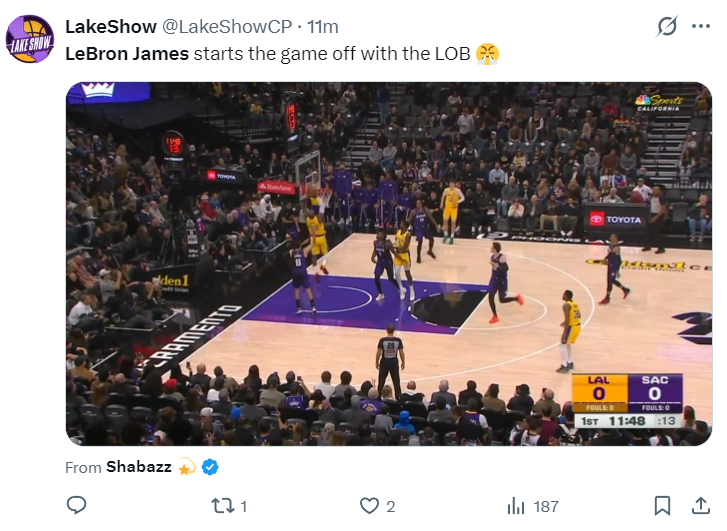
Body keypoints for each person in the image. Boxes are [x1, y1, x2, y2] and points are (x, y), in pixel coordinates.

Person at [487, 242, 524, 324]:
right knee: (490, 296)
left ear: (495, 249)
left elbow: (506, 268)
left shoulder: (501, 258)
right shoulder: (492, 257)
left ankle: (516, 298)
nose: (490, 248)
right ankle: (495, 316)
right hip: (494, 279)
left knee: (502, 300)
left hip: (501, 280)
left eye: (492, 247)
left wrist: (497, 265)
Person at [371, 229, 403, 301]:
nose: (377, 234)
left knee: (390, 278)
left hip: (388, 262)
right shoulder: (375, 242)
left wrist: (402, 259)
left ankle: (400, 288)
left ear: (383, 236)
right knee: (376, 277)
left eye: (379, 233)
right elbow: (375, 251)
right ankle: (380, 293)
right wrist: (372, 257)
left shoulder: (387, 244)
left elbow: (394, 252)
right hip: (380, 262)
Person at [375, 323, 405, 400]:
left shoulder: (382, 340)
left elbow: (379, 352)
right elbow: (401, 352)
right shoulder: (398, 340)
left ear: (387, 330)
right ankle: (398, 399)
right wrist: (403, 362)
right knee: (396, 382)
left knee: (381, 381)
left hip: (384, 361)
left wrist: (376, 361)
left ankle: (378, 398)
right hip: (394, 361)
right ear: (393, 330)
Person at [599, 234, 631, 305]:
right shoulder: (611, 245)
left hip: (614, 266)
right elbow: (610, 254)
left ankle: (607, 298)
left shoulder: (617, 248)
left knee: (610, 281)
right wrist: (605, 258)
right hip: (610, 265)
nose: (610, 237)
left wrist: (617, 270)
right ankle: (625, 290)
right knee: (611, 280)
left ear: (615, 238)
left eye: (612, 237)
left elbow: (619, 260)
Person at [556, 290, 581, 373]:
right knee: (567, 344)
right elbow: (579, 315)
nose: (562, 296)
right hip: (577, 326)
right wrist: (566, 322)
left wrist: (564, 333)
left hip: (571, 327)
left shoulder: (566, 305)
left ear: (566, 296)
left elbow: (568, 319)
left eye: (564, 294)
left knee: (562, 345)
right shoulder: (574, 304)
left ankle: (564, 365)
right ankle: (570, 362)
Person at [290, 239, 317, 315]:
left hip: (295, 272)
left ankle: (298, 308)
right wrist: (313, 234)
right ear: (300, 246)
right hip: (302, 271)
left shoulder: (291, 252)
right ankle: (313, 307)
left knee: (297, 289)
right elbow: (313, 243)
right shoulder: (304, 251)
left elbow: (293, 250)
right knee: (308, 289)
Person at [408, 198, 438, 263]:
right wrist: (405, 227)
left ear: (421, 204)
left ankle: (430, 250)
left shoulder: (425, 210)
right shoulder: (413, 211)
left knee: (432, 240)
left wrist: (436, 225)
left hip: (425, 227)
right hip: (418, 229)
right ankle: (418, 256)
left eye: (419, 203)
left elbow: (431, 218)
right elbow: (408, 220)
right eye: (416, 203)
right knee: (420, 242)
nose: (417, 204)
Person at [304, 207, 329, 281]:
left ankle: (316, 272)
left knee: (314, 256)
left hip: (313, 238)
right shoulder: (318, 218)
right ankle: (323, 265)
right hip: (321, 237)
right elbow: (321, 215)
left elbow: (305, 213)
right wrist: (321, 205)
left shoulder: (308, 220)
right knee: (326, 254)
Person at [393, 220, 415, 301]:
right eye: (400, 223)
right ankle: (401, 289)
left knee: (407, 273)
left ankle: (412, 291)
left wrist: (393, 247)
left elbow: (405, 247)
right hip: (398, 255)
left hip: (405, 255)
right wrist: (393, 246)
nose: (400, 224)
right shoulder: (397, 232)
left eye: (402, 224)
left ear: (406, 226)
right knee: (396, 273)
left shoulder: (408, 235)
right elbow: (396, 242)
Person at [642, 185, 667, 254]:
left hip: (659, 215)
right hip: (652, 214)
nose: (654, 192)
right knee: (648, 231)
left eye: (655, 190)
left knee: (656, 232)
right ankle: (648, 246)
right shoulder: (652, 197)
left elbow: (663, 210)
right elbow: (647, 201)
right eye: (653, 190)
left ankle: (661, 248)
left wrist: (656, 217)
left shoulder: (661, 198)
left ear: (659, 191)